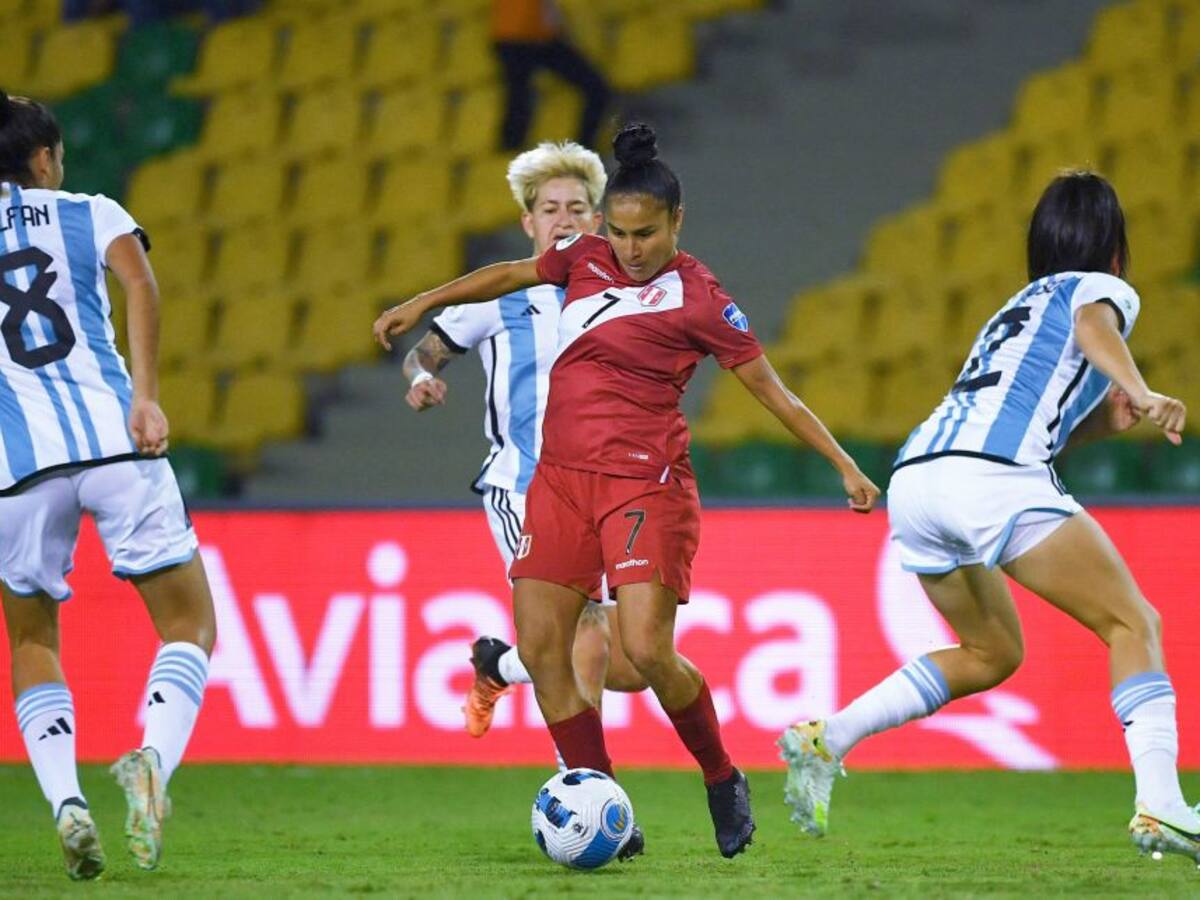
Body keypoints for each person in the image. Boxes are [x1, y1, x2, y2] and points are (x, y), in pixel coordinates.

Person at [375, 122, 881, 858]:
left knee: (643, 650)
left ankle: (721, 776)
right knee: (543, 650)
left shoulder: (702, 299)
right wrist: (420, 302)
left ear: (677, 221)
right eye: (618, 232)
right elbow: (509, 274)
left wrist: (844, 464)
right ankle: (599, 798)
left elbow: (773, 391)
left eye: (645, 234)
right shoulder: (584, 258)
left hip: (644, 486)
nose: (630, 248)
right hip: (558, 482)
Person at [778, 171, 1197, 864]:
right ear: (1114, 248)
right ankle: (1161, 804)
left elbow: (1033, 421)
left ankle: (829, 738)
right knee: (1134, 624)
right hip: (990, 479)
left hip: (918, 480)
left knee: (991, 652)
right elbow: (1094, 325)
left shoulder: (1014, 308)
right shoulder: (1101, 289)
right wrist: (1142, 388)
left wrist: (1105, 419)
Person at [0, 91, 216, 879]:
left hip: (18, 467)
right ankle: (151, 760)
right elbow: (141, 285)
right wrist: (146, 395)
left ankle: (66, 801)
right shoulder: (91, 211)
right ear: (44, 158)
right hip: (116, 442)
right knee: (189, 623)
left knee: (31, 640)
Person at [399, 140, 647, 744]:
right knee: (585, 629)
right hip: (524, 487)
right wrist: (422, 379)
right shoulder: (498, 296)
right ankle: (584, 779)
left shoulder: (625, 298)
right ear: (528, 223)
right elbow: (423, 354)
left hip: (603, 494)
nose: (564, 220)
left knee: (635, 663)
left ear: (597, 220)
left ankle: (498, 666)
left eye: (577, 209)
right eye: (550, 209)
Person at [491, 0, 613, 150]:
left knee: (518, 97)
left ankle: (582, 147)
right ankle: (582, 147)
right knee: (518, 98)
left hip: (522, 38)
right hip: (520, 38)